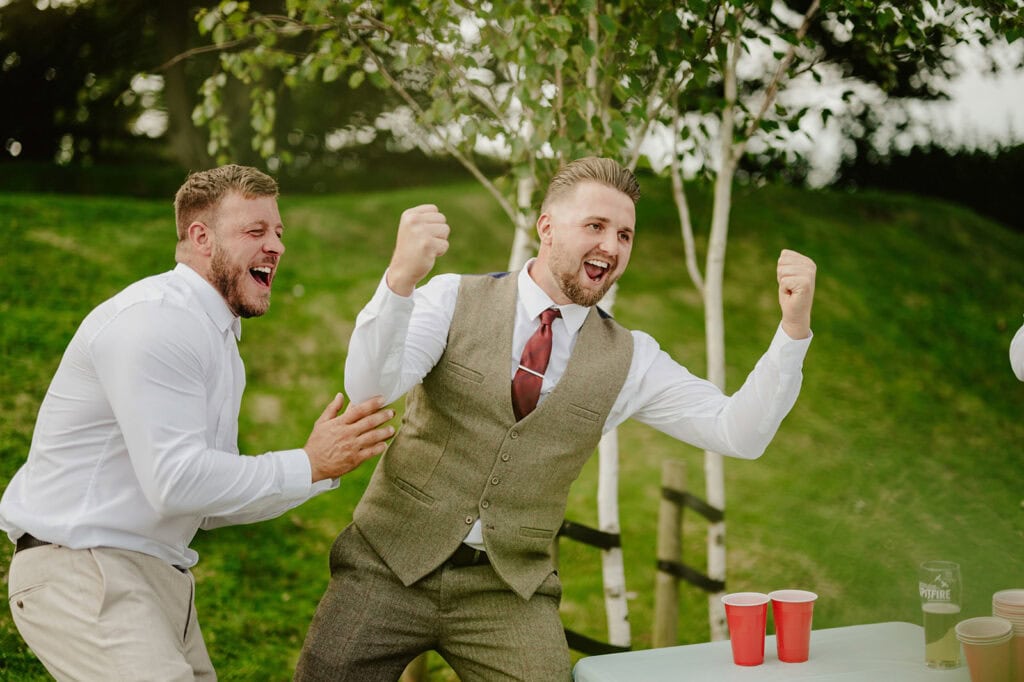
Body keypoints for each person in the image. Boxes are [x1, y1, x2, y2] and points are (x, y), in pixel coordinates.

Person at [294, 156, 817, 681]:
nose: (611, 247)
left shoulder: (632, 358)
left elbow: (738, 433)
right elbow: (370, 390)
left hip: (507, 590)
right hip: (387, 562)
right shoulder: (452, 298)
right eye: (596, 226)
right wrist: (400, 281)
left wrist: (792, 331)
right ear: (546, 227)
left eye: (625, 235)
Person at [0, 164, 396, 681]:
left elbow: (204, 503)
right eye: (255, 231)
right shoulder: (158, 320)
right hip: (86, 569)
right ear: (200, 237)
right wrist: (307, 463)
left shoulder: (216, 337)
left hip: (155, 578)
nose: (275, 245)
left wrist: (317, 471)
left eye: (278, 232)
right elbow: (177, 482)